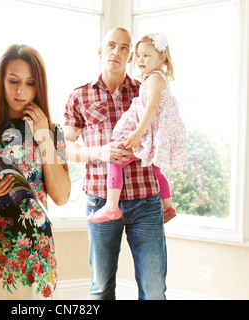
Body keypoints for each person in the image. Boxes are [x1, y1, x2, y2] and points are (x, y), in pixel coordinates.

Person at [0, 44, 71, 300]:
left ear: (39, 86)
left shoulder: (52, 132)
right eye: (13, 81)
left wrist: (43, 138)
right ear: (1, 81)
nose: (21, 91)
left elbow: (61, 196)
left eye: (30, 83)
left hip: (35, 252)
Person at [64, 27, 167, 300]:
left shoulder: (146, 89)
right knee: (101, 289)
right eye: (111, 45)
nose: (117, 52)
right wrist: (100, 152)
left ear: (131, 55)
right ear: (101, 51)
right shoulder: (79, 96)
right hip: (100, 201)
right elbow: (65, 149)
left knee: (155, 291)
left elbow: (163, 126)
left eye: (124, 48)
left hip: (146, 201)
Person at [87, 33, 187, 224]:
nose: (141, 60)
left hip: (147, 133)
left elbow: (152, 107)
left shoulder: (153, 79)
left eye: (147, 55)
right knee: (156, 169)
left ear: (162, 57)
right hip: (153, 133)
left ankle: (110, 207)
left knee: (115, 159)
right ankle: (168, 207)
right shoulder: (155, 78)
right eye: (139, 55)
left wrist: (137, 133)